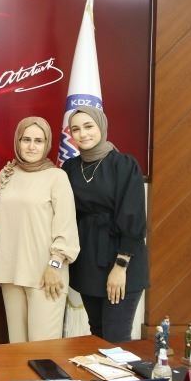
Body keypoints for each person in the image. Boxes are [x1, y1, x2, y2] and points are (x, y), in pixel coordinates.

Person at [61, 105, 148, 343]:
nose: (83, 134)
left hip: (122, 260)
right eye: (76, 129)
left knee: (116, 338)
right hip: (87, 261)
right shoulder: (69, 168)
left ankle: (122, 372)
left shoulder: (124, 165)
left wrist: (120, 266)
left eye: (88, 126)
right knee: (97, 335)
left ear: (101, 126)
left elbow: (133, 217)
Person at [0, 116, 79, 343]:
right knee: (17, 346)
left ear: (47, 144)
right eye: (26, 139)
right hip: (10, 272)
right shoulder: (6, 174)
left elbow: (66, 227)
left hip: (46, 275)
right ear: (17, 141)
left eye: (38, 141)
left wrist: (55, 265)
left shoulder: (57, 177)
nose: (31, 146)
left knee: (42, 348)